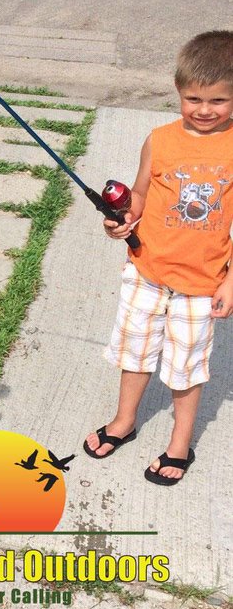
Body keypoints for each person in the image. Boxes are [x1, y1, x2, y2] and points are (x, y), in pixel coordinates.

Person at [84, 30, 233, 485]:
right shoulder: (159, 139)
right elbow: (140, 195)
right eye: (193, 99)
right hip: (145, 271)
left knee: (186, 368)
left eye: (219, 100)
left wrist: (231, 281)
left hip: (201, 283)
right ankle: (124, 421)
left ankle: (180, 443)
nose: (204, 110)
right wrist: (120, 220)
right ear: (177, 90)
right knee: (135, 352)